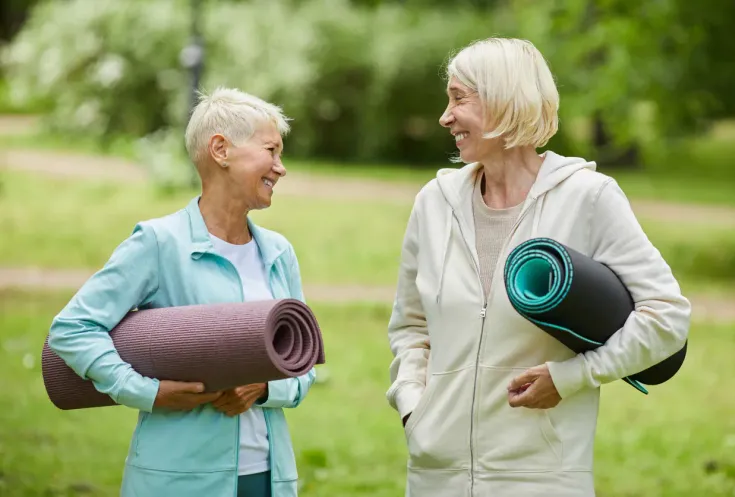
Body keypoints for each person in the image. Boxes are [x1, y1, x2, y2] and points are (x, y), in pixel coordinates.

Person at [385, 37, 690, 497]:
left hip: (541, 477)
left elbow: (668, 317)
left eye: (458, 98)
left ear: (504, 100)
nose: (445, 117)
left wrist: (573, 377)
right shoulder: (433, 204)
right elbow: (411, 326)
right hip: (435, 476)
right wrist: (414, 406)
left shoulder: (588, 197)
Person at [48, 87, 314, 497]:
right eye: (271, 151)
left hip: (269, 479)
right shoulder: (158, 243)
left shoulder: (278, 253)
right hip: (177, 481)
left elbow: (303, 365)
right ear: (220, 150)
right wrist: (146, 392)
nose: (280, 168)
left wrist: (264, 388)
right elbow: (73, 328)